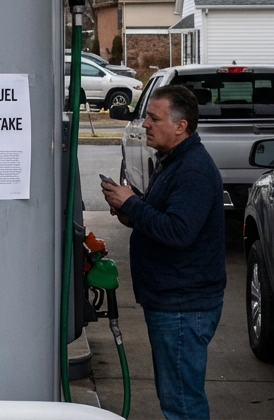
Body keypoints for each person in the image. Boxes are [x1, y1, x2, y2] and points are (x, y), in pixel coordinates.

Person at [101, 85, 226, 420]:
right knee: (177, 398)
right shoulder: (173, 162)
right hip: (172, 301)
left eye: (154, 118)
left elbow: (178, 231)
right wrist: (130, 208)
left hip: (183, 305)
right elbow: (162, 220)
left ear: (180, 126)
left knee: (182, 404)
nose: (145, 124)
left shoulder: (193, 170)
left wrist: (132, 205)